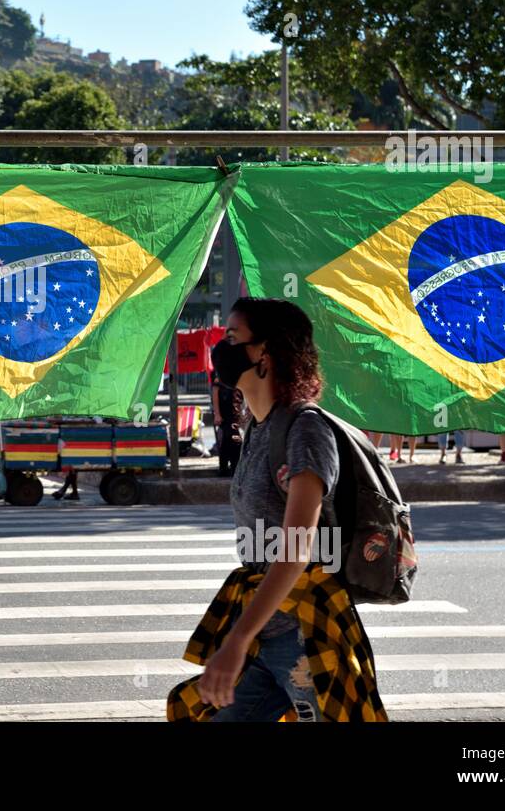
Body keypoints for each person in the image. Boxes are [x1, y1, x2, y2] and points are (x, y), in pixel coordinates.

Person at [167, 297, 386, 723]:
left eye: (232, 337)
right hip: (266, 637)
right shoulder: (259, 428)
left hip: (307, 636)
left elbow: (296, 551)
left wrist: (236, 640)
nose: (221, 348)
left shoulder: (305, 431)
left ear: (263, 352)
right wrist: (244, 637)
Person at [209, 339, 244, 477]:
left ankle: (234, 467)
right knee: (226, 440)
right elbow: (215, 393)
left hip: (236, 409)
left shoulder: (238, 369)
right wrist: (217, 413)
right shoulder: (219, 372)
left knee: (235, 440)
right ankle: (224, 468)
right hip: (225, 409)